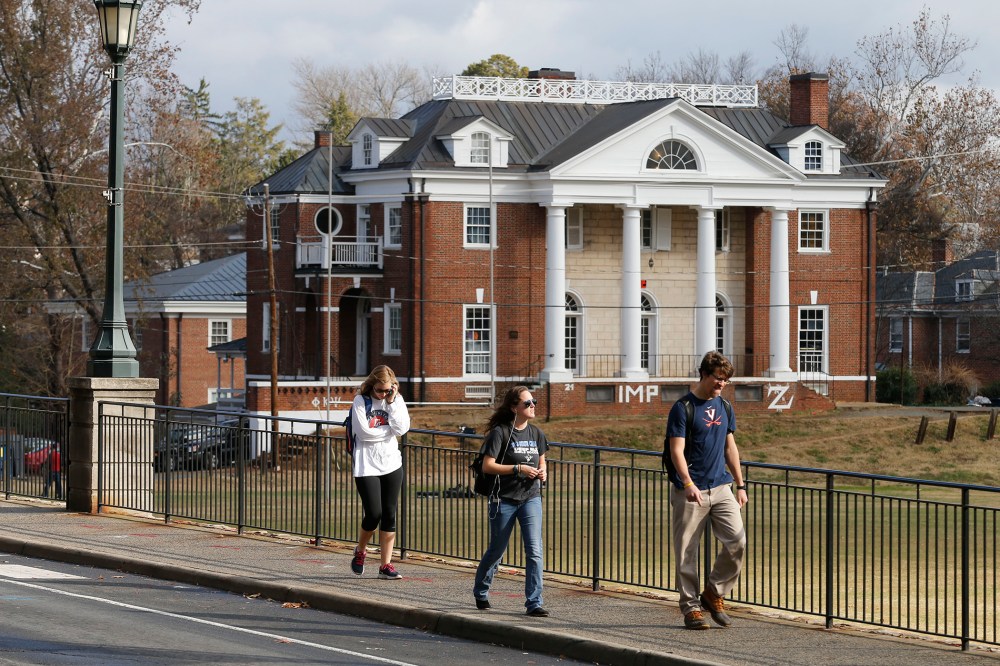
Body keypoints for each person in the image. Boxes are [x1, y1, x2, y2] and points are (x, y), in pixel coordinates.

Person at [665, 351, 748, 630]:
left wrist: (740, 484)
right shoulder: (683, 408)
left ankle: (713, 593)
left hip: (722, 486)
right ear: (704, 374)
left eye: (725, 380)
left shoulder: (724, 406)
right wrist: (687, 483)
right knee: (687, 551)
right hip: (691, 489)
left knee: (737, 542)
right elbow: (676, 450)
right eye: (717, 378)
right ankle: (690, 608)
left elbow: (730, 447)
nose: (721, 384)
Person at [473, 386, 549, 617]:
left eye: (533, 401)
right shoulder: (500, 433)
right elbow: (488, 465)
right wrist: (518, 468)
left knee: (534, 550)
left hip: (530, 498)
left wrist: (543, 471)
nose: (532, 405)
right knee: (497, 550)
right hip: (503, 499)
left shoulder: (536, 433)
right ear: (514, 407)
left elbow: (542, 461)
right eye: (527, 403)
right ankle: (481, 591)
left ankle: (534, 602)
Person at [349, 365, 410, 580]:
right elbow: (363, 434)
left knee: (389, 513)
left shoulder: (396, 400)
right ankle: (361, 550)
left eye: (387, 391)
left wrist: (391, 404)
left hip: (392, 463)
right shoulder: (360, 401)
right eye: (379, 391)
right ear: (371, 385)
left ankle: (386, 565)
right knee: (373, 513)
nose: (383, 394)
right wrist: (388, 431)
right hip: (366, 465)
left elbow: (402, 429)